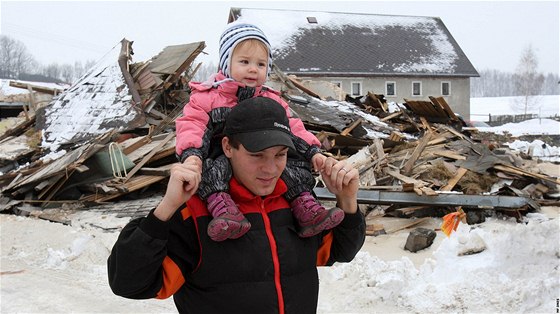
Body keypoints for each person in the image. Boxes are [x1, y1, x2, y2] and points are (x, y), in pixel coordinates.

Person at [107, 97, 366, 313]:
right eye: (257, 155)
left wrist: (346, 199)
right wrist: (166, 209)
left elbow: (339, 251)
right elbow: (129, 283)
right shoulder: (197, 212)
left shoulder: (295, 203)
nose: (270, 168)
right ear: (228, 147)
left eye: (280, 155)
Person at [175, 22, 344, 241]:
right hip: (221, 153)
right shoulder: (207, 97)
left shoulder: (270, 99)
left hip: (260, 155)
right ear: (226, 63)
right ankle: (223, 209)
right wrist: (192, 156)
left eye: (261, 64)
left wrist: (313, 152)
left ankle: (305, 206)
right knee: (213, 169)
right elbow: (192, 126)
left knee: (290, 163)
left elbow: (293, 127)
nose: (253, 69)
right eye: (244, 62)